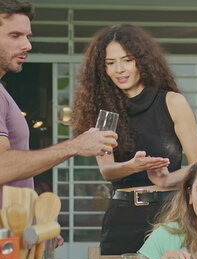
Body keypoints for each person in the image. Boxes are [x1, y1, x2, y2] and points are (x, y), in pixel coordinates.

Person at [72, 24, 197, 256]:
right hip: (122, 215)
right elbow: (107, 171)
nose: (119, 70)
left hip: (169, 215)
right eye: (110, 63)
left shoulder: (172, 102)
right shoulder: (102, 111)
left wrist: (167, 180)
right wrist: (131, 167)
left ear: (142, 61)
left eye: (127, 60)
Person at [0, 0, 116, 206]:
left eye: (27, 36)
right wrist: (75, 146)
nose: (27, 45)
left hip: (14, 229)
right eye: (15, 35)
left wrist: (36, 223)